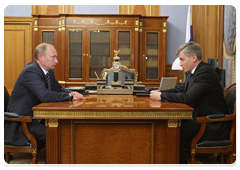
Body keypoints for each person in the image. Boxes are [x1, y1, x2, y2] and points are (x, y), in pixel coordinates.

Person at [150, 42, 230, 166]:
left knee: (172, 131)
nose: (180, 63)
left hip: (210, 123)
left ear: (193, 57)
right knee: (169, 127)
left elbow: (188, 97)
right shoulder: (195, 71)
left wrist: (161, 96)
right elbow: (182, 89)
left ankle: (178, 165)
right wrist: (161, 92)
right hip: (200, 117)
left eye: (182, 59)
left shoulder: (205, 72)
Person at [4, 43, 86, 149]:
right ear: (40, 57)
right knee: (58, 136)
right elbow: (45, 96)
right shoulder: (31, 71)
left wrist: (74, 93)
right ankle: (52, 164)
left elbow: (58, 89)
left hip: (38, 117)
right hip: (24, 121)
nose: (56, 61)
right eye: (53, 57)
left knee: (65, 131)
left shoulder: (48, 71)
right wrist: (70, 96)